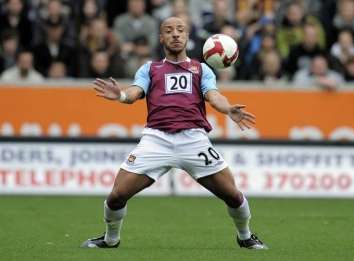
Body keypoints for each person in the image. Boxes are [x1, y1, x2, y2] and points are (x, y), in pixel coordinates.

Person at [81, 17, 267, 250]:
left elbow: (214, 96)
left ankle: (245, 236)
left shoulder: (201, 69)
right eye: (169, 31)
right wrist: (120, 95)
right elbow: (135, 92)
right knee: (116, 196)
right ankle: (111, 239)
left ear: (188, 37)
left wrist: (228, 109)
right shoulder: (150, 68)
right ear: (161, 38)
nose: (175, 34)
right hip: (156, 140)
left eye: (180, 30)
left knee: (233, 196)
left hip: (194, 141)